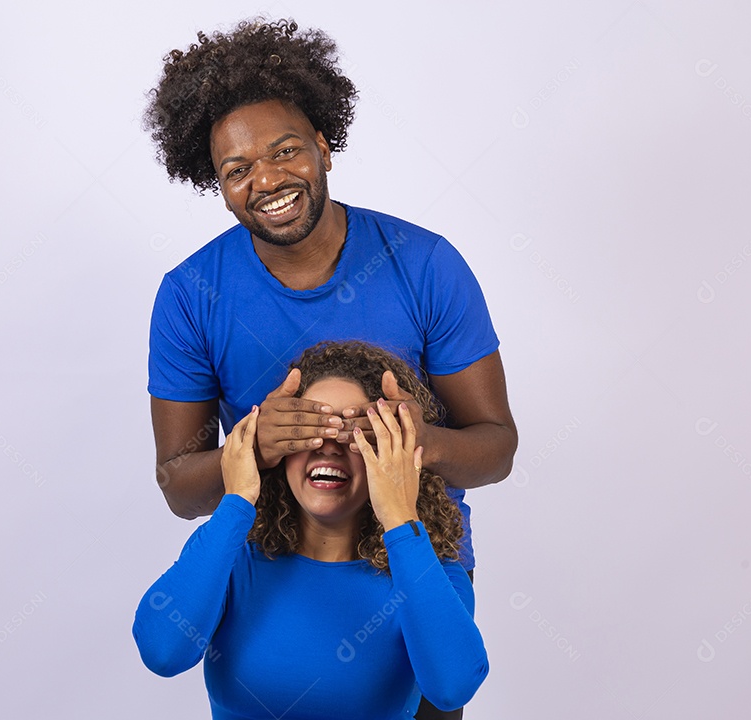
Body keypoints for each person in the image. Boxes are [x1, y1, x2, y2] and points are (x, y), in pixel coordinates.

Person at [145, 19, 517, 718]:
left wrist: (409, 444)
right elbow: (179, 486)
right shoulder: (192, 295)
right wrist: (250, 446)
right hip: (276, 561)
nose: (268, 180)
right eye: (238, 169)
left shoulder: (426, 265)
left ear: (323, 144)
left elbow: (494, 448)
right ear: (216, 184)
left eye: (286, 150)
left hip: (409, 560)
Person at [134, 342, 489, 719]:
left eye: (356, 434)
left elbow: (452, 687)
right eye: (309, 429)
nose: (329, 447)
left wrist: (400, 514)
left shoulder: (429, 574)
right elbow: (162, 652)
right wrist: (237, 498)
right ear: (281, 449)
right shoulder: (232, 560)